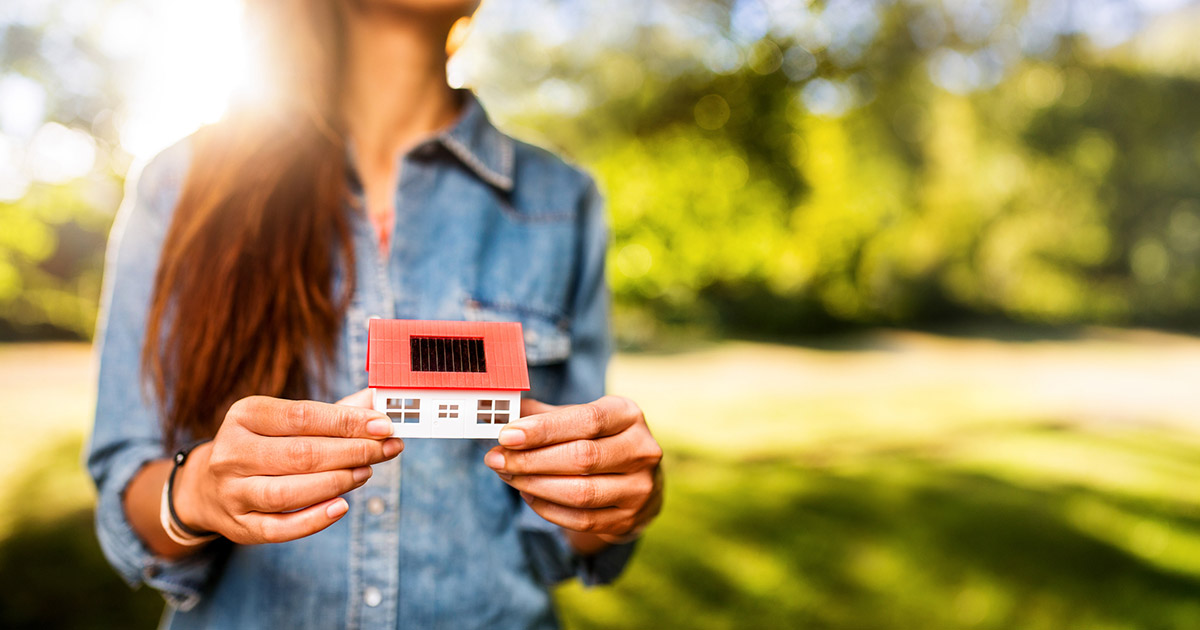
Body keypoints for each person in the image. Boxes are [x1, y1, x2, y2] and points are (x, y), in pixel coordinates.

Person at [85, 1, 664, 627]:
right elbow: (126, 490)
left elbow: (560, 535)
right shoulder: (181, 186)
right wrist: (196, 491)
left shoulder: (562, 201)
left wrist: (613, 497)